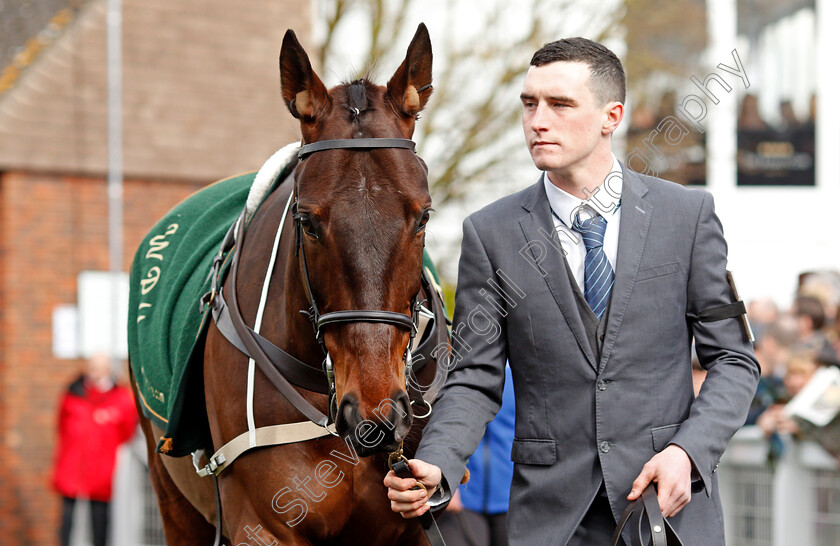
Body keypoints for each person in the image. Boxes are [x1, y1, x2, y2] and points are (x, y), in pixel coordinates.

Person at [385, 37, 760, 545]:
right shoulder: (490, 234)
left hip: (668, 511)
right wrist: (439, 461)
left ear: (612, 116)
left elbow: (735, 361)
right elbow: (474, 376)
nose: (538, 120)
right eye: (529, 103)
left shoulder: (686, 217)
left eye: (560, 104)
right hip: (550, 520)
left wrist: (687, 454)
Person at [51, 353, 138, 546]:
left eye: (99, 367)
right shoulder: (73, 393)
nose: (94, 372)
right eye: (92, 367)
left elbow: (127, 431)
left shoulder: (120, 398)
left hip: (102, 468)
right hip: (73, 465)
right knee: (67, 518)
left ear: (108, 369)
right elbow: (61, 425)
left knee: (99, 519)